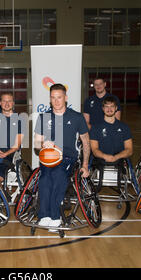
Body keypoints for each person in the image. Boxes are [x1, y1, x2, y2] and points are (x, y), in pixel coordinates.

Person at [34, 84, 91, 230]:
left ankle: (55, 216)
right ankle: (44, 215)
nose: (56, 101)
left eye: (59, 97)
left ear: (65, 98)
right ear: (50, 99)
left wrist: (85, 165)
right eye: (53, 98)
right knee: (45, 178)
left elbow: (86, 142)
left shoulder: (77, 117)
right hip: (48, 157)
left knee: (58, 175)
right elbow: (36, 144)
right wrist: (43, 145)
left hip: (67, 158)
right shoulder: (43, 117)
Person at [0, 92, 24, 182]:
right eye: (4, 101)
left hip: (9, 155)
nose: (7, 104)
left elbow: (16, 145)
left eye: (9, 101)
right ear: (0, 103)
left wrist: (5, 154)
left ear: (13, 103)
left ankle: (0, 184)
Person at [89, 96, 133, 165]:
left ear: (116, 108)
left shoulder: (124, 127)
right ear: (103, 109)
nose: (109, 109)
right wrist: (105, 156)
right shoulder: (95, 127)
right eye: (106, 106)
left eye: (112, 106)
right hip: (101, 160)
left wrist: (116, 157)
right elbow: (94, 150)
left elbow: (129, 149)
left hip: (119, 160)